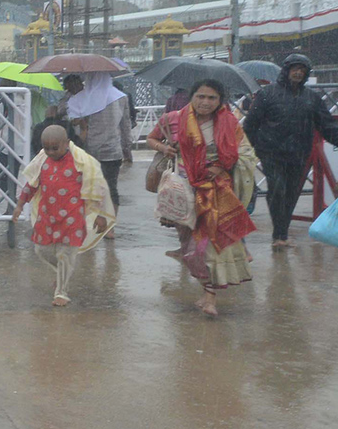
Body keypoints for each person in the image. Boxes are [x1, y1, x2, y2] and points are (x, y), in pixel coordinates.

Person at [147, 79, 257, 316]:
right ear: (192, 96)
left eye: (212, 98)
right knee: (189, 246)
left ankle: (210, 297)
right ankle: (205, 287)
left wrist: (223, 167)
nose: (205, 102)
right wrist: (164, 148)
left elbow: (246, 153)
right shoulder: (174, 119)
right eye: (201, 96)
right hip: (184, 193)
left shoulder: (230, 123)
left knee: (207, 246)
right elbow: (151, 138)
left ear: (220, 101)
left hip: (216, 192)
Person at [242, 53, 338, 249]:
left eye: (302, 70)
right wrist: (247, 151)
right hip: (271, 153)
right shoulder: (267, 94)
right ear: (286, 71)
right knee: (277, 189)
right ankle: (279, 234)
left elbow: (327, 126)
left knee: (292, 193)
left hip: (299, 153)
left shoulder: (312, 98)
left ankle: (281, 233)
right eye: (294, 69)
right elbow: (250, 125)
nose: (298, 73)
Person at [12, 125, 114, 307]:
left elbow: (98, 186)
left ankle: (61, 292)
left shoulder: (81, 161)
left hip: (72, 218)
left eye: (55, 148)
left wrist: (100, 215)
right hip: (47, 217)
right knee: (40, 249)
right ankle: (61, 274)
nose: (50, 152)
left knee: (65, 255)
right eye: (46, 148)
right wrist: (20, 204)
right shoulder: (41, 162)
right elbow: (32, 184)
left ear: (66, 143)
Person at [64, 72, 129, 237]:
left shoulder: (84, 98)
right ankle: (110, 227)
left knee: (89, 187)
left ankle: (93, 222)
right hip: (113, 151)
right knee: (111, 188)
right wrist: (126, 148)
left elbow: (74, 122)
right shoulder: (120, 97)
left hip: (88, 151)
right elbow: (125, 126)